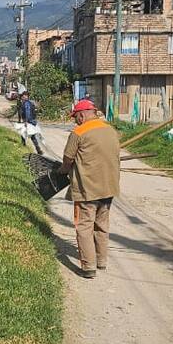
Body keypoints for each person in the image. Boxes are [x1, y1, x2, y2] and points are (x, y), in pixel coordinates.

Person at [59, 99, 120, 278]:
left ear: (83, 114)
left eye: (76, 117)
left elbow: (68, 159)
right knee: (101, 225)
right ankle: (101, 261)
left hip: (88, 190)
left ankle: (88, 267)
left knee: (84, 226)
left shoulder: (79, 132)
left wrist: (62, 171)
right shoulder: (110, 130)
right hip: (109, 187)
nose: (75, 120)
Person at [18, 90, 43, 155]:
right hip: (31, 121)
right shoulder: (28, 102)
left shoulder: (26, 103)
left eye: (23, 96)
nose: (22, 97)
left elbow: (27, 112)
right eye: (22, 96)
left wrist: (26, 121)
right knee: (25, 133)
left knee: (30, 135)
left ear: (26, 96)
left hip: (29, 121)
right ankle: (37, 149)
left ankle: (38, 149)